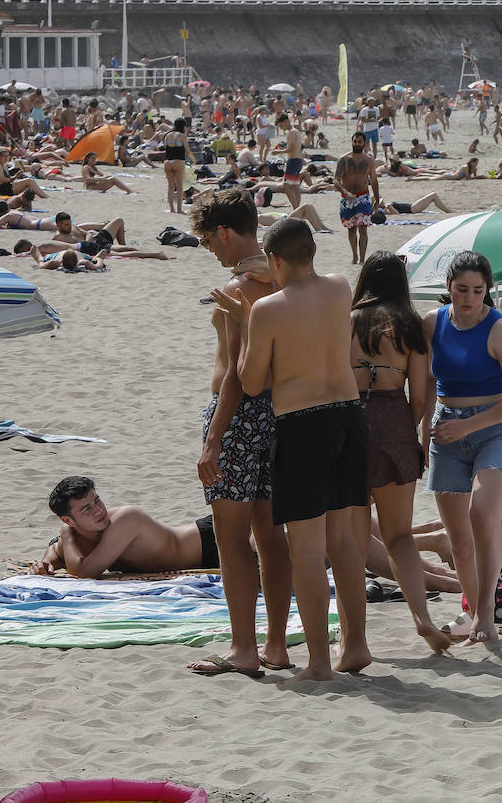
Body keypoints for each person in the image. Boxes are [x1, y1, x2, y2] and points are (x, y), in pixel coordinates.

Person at [210, 217, 371, 682]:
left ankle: (319, 663)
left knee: (306, 549)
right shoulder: (340, 287)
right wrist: (277, 273)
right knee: (343, 542)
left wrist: (242, 323)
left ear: (275, 260)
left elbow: (253, 379)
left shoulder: (268, 310)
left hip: (303, 426)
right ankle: (356, 644)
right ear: (313, 253)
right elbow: (301, 284)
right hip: (349, 418)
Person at [188, 188, 294, 677]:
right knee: (272, 535)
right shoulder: (285, 280)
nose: (212, 249)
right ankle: (275, 644)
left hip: (237, 417)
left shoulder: (237, 291)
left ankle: (243, 649)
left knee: (233, 540)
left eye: (210, 240)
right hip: (281, 414)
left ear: (226, 232)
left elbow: (234, 372)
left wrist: (213, 438)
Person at [421, 252, 502, 644]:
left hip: (496, 428)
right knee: (458, 540)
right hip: (445, 430)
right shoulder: (432, 324)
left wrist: (469, 424)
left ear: (488, 290)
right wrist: (422, 435)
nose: (469, 298)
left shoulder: (499, 329)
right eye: (461, 289)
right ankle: (471, 608)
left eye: (478, 291)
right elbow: (422, 388)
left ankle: (487, 612)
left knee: (483, 515)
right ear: (448, 287)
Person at [351, 253, 451, 652]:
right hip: (394, 420)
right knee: (399, 536)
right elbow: (422, 396)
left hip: (350, 423)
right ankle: (422, 618)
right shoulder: (411, 327)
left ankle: (354, 639)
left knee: (351, 541)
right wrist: (405, 430)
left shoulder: (347, 321)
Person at [31, 477, 220, 578]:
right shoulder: (85, 533)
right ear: (68, 520)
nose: (98, 510)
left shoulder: (127, 518)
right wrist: (45, 562)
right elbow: (56, 551)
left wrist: (66, 535)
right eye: (87, 508)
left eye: (97, 501)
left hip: (212, 539)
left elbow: (83, 573)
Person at [335, 131, 379, 265]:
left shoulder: (369, 161)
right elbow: (336, 181)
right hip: (347, 198)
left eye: (360, 142)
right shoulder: (344, 159)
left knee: (363, 228)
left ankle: (362, 259)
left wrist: (376, 197)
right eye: (355, 141)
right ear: (352, 142)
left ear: (364, 144)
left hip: (363, 196)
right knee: (351, 229)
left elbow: (374, 180)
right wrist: (346, 193)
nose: (357, 144)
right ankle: (354, 255)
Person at [279, 114, 304, 209]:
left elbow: (291, 149)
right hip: (297, 160)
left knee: (286, 186)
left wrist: (278, 151)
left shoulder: (292, 132)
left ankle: (295, 208)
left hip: (293, 161)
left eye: (281, 126)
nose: (281, 128)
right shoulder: (295, 131)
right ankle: (297, 208)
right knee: (295, 187)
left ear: (285, 122)